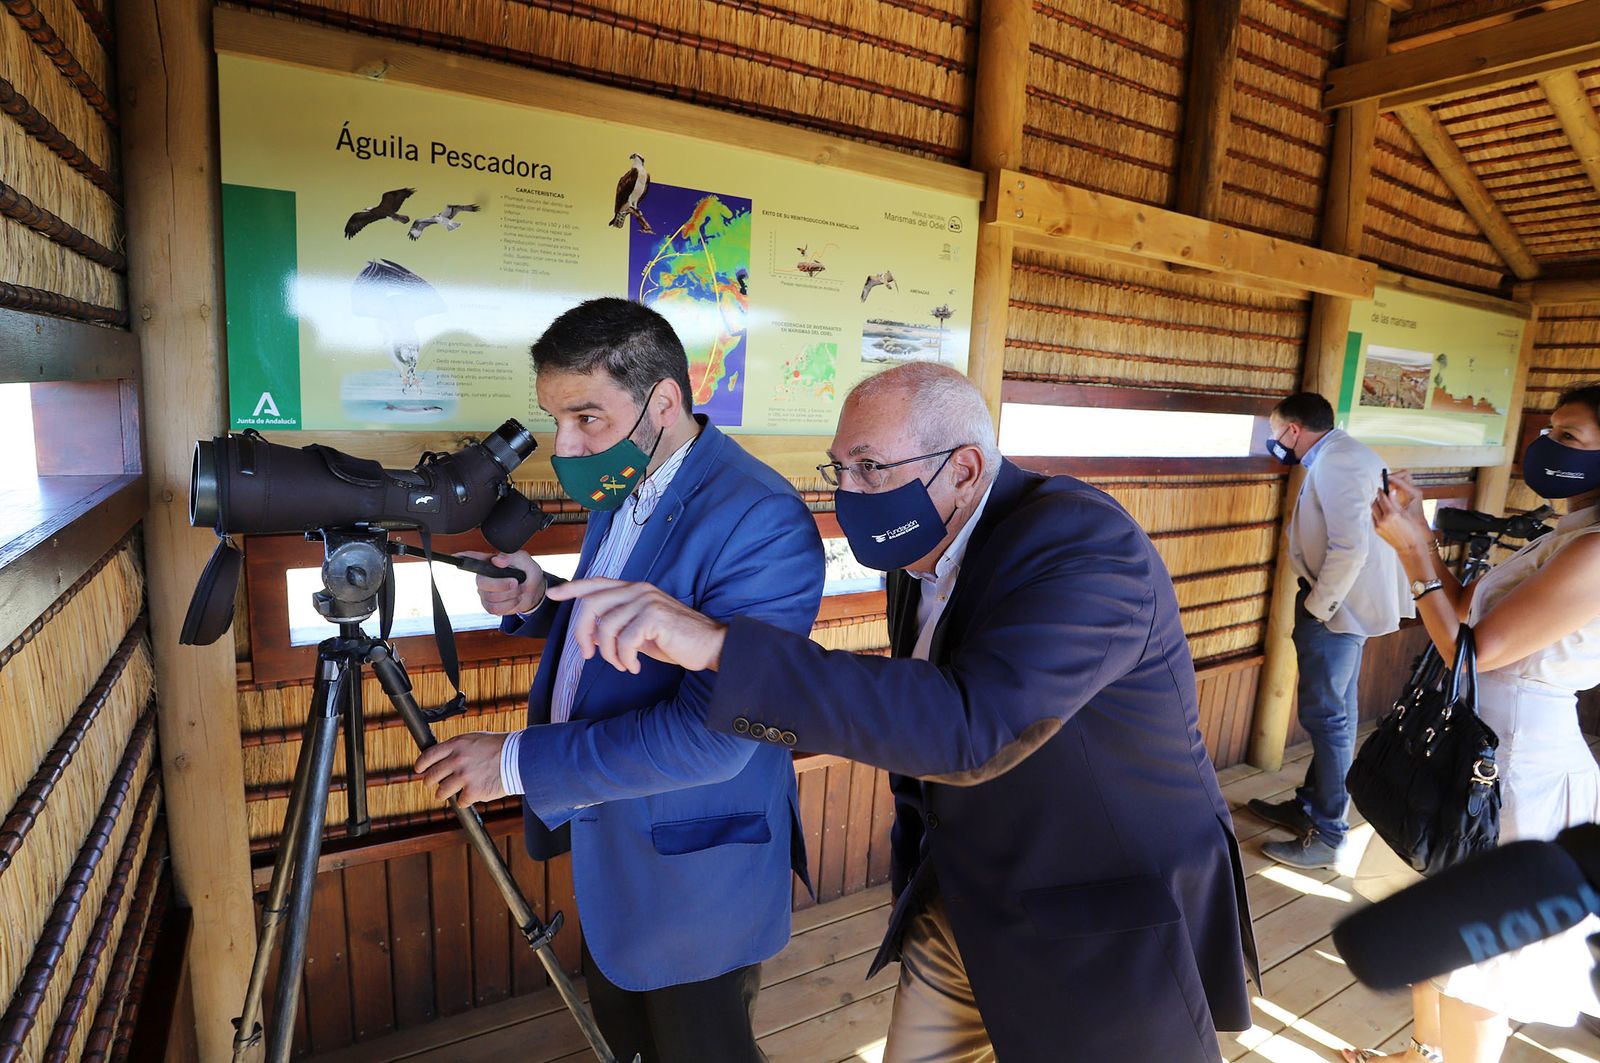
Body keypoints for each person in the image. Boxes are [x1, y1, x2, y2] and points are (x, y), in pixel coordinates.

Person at [542, 362, 1258, 1062]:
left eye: (870, 467)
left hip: (1097, 920)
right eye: (838, 469)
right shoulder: (920, 559)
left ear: (966, 469)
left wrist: (720, 645)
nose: (847, 492)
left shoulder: (1083, 544)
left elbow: (968, 727)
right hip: (962, 900)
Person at [414, 298, 824, 1063]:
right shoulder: (633, 477)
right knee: (630, 1042)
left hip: (698, 875)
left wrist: (513, 760)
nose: (565, 445)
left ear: (663, 402)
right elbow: (627, 618)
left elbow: (716, 739)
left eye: (586, 418)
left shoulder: (761, 518)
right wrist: (542, 601)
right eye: (555, 419)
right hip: (616, 846)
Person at [1342, 383, 1600, 1063]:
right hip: (1475, 747)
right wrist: (1415, 539)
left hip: (1516, 767)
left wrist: (1416, 551)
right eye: (1549, 432)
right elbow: (1464, 615)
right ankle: (1422, 1053)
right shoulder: (1561, 533)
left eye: (1569, 437)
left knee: (1481, 969)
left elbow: (1472, 652)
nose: (1547, 447)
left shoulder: (1595, 551)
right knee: (1438, 926)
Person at [1249, 391, 1413, 870]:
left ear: (1294, 430)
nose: (1275, 442)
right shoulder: (1342, 453)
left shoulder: (1337, 462)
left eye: (1276, 432)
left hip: (1337, 609)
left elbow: (1350, 547)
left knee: (1329, 719)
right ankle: (1308, 807)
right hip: (1344, 605)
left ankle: (1327, 832)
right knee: (1337, 711)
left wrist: (1319, 608)